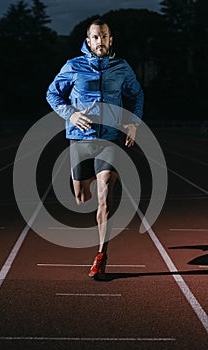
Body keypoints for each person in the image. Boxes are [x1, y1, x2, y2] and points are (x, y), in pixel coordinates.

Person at [46, 18, 144, 279]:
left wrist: (133, 124)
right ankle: (82, 184)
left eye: (105, 36)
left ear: (111, 40)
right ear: (88, 41)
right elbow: (52, 94)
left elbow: (137, 94)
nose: (101, 41)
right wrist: (71, 114)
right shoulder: (73, 66)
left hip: (110, 139)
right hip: (80, 138)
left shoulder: (121, 67)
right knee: (82, 197)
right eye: (96, 37)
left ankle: (101, 256)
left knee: (105, 197)